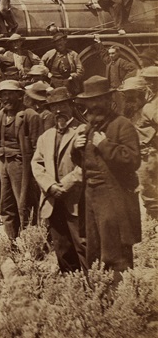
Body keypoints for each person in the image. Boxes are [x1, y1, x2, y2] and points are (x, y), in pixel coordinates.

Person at [72, 76, 141, 276]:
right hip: (91, 197)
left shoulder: (122, 125)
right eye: (89, 102)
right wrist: (76, 150)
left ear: (107, 100)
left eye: (98, 100)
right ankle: (99, 298)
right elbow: (85, 162)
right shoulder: (90, 127)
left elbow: (132, 159)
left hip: (114, 198)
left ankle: (120, 300)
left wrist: (104, 145)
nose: (93, 106)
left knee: (116, 251)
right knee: (94, 250)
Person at [31, 88, 86, 272]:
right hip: (53, 199)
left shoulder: (82, 130)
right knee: (62, 247)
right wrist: (50, 186)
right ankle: (71, 287)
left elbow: (86, 164)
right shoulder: (45, 136)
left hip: (76, 199)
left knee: (82, 245)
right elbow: (37, 164)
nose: (58, 111)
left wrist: (66, 185)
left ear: (70, 105)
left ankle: (93, 289)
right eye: (54, 107)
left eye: (62, 105)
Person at [0, 80, 44, 239]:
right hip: (3, 163)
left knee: (25, 203)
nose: (5, 98)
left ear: (20, 96)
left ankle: (31, 243)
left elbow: (37, 146)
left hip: (21, 164)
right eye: (3, 95)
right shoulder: (1, 114)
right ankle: (12, 241)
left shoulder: (30, 115)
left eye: (10, 94)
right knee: (6, 204)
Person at [126, 69, 158, 220]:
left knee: (150, 196)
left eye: (132, 97)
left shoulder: (148, 108)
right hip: (143, 156)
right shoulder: (139, 108)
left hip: (148, 157)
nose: (129, 101)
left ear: (141, 94)